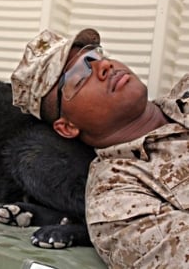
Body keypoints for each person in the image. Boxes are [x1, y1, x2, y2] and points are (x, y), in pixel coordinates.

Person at [11, 28, 189, 268]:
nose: (103, 67)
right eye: (80, 76)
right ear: (67, 127)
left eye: (95, 56)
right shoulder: (117, 205)